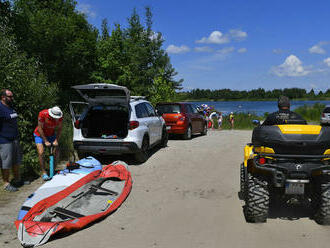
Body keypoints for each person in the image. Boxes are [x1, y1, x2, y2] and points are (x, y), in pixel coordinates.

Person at [0, 89, 23, 192]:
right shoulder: (0, 108)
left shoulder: (11, 107)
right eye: (10, 96)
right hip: (4, 140)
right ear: (3, 97)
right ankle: (6, 183)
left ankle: (17, 180)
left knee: (16, 161)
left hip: (15, 139)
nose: (12, 98)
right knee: (6, 162)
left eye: (12, 96)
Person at [34, 106, 63, 181]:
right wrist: (45, 141)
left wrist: (56, 140)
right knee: (41, 152)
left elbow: (59, 129)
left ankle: (52, 170)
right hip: (39, 134)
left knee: (56, 151)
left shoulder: (59, 116)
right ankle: (44, 172)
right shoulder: (42, 114)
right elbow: (40, 128)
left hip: (51, 135)